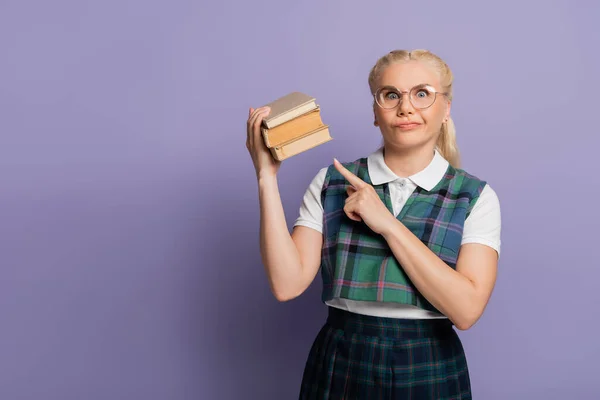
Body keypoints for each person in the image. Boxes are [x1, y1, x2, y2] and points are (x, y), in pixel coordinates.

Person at [245, 49, 501, 399]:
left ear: (446, 109)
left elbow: (467, 310)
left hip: (429, 361)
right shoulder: (330, 182)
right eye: (391, 95)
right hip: (341, 359)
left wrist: (388, 225)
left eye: (422, 94)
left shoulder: (474, 196)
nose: (406, 107)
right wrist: (266, 176)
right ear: (375, 112)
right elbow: (286, 284)